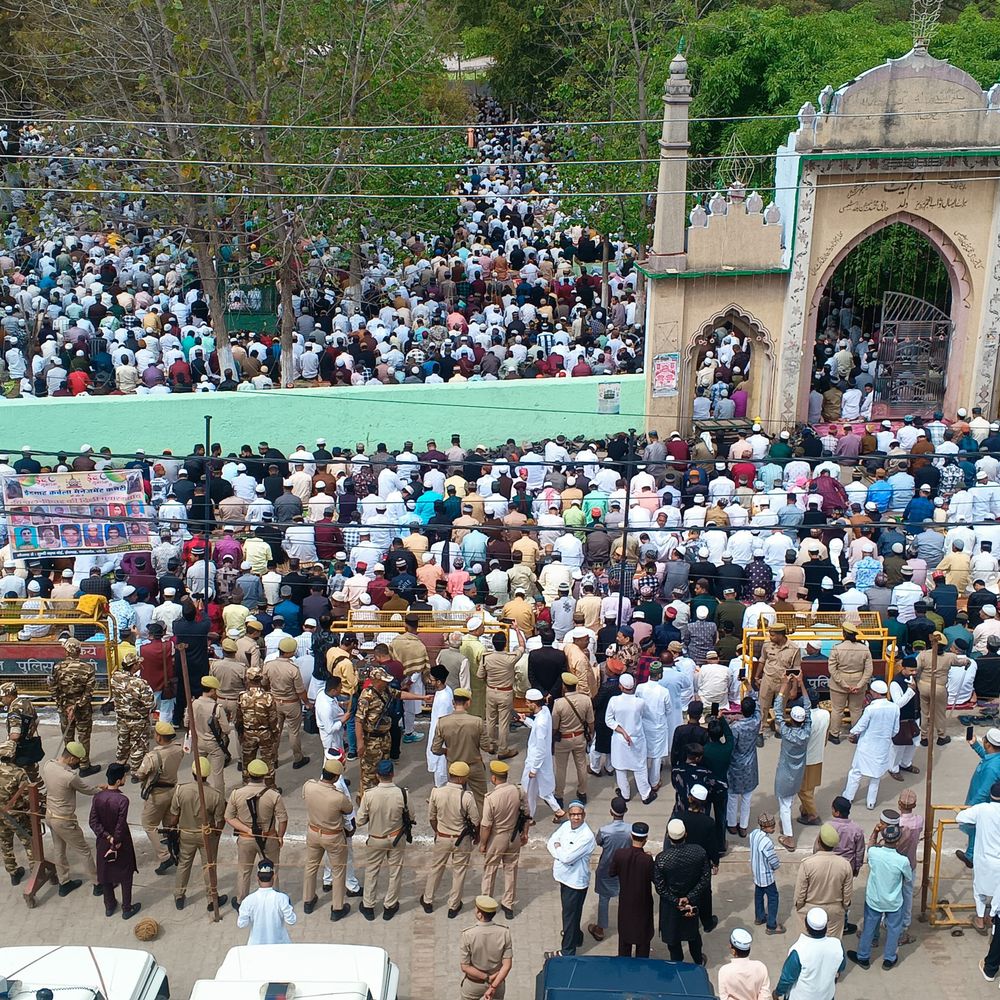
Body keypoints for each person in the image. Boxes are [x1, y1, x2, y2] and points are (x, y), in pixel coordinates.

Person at [167, 756, 228, 912]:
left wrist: (172, 830)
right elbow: (220, 822)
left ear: (193, 772)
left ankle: (179, 895)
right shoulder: (215, 795)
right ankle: (212, 898)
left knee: (184, 864)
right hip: (206, 835)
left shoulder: (181, 790)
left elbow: (173, 818)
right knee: (209, 867)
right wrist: (216, 834)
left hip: (186, 834)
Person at [847, 823, 912, 971]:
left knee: (868, 928)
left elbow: (870, 846)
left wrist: (875, 832)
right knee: (894, 930)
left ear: (884, 838)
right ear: (898, 841)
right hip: (893, 902)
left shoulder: (874, 853)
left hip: (874, 899)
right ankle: (889, 958)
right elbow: (908, 878)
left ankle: (863, 957)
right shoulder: (902, 861)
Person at [225, 759, 288, 906]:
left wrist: (247, 830)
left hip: (246, 837)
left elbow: (229, 817)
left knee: (244, 871)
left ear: (248, 774)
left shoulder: (236, 794)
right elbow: (283, 819)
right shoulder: (274, 795)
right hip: (268, 836)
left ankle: (241, 901)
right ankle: (273, 902)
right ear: (265, 775)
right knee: (272, 870)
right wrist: (280, 836)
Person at [423, 760, 481, 918]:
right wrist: (476, 837)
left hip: (442, 836)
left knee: (436, 868)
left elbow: (432, 817)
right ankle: (453, 905)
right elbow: (476, 821)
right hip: (461, 839)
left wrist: (438, 831)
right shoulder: (467, 797)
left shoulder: (436, 792)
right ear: (461, 779)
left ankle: (428, 900)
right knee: (459, 872)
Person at [40, 741, 99, 895]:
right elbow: (87, 790)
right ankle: (97, 883)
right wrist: (102, 789)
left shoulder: (48, 765)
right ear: (72, 758)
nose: (77, 763)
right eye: (77, 760)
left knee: (59, 849)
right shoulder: (70, 777)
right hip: (64, 819)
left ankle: (64, 882)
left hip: (50, 815)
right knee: (84, 850)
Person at [654, 818, 714, 964]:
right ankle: (698, 960)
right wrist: (690, 897)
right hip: (691, 902)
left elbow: (660, 887)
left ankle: (677, 965)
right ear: (685, 834)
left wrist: (676, 900)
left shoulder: (662, 859)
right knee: (693, 933)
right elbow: (705, 878)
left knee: (673, 937)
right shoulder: (698, 852)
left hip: (671, 906)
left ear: (668, 837)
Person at [302, 756, 355, 921]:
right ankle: (337, 907)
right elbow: (348, 810)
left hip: (313, 832)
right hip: (332, 836)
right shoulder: (338, 797)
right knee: (338, 871)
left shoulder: (309, 786)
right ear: (336, 777)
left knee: (311, 866)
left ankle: (308, 900)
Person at [356, 759, 407, 921]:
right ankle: (390, 905)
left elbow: (360, 820)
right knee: (395, 872)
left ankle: (368, 906)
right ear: (393, 774)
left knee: (371, 871)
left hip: (376, 839)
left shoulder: (369, 795)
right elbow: (411, 816)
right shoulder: (402, 793)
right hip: (396, 838)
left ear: (378, 775)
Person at [89, 762, 141, 920]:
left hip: (102, 842)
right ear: (118, 781)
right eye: (124, 777)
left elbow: (93, 822)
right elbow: (120, 824)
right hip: (121, 842)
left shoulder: (98, 797)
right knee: (126, 874)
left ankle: (109, 905)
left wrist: (106, 836)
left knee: (105, 874)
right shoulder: (122, 800)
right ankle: (127, 908)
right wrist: (115, 839)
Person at [545, 800, 596, 958]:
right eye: (573, 814)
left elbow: (567, 858)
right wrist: (560, 852)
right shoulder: (566, 826)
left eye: (578, 815)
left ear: (583, 815)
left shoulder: (586, 836)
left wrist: (559, 848)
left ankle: (567, 951)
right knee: (572, 913)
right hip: (564, 878)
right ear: (568, 815)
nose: (575, 817)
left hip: (575, 882)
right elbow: (551, 842)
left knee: (570, 915)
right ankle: (575, 937)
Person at [480, 760, 528, 920]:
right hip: (514, 835)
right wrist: (525, 833)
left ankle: (486, 903)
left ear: (494, 778)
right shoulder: (518, 791)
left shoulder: (491, 798)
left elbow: (486, 825)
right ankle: (508, 904)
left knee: (490, 870)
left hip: (497, 837)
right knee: (511, 869)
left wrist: (483, 844)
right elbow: (526, 814)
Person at [841, 679, 899, 810]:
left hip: (866, 746)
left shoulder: (871, 709)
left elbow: (861, 726)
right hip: (883, 747)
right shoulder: (895, 708)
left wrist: (852, 733)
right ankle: (871, 802)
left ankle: (848, 797)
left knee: (856, 772)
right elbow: (895, 730)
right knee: (876, 776)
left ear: (876, 693)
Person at [136, 720, 185, 876]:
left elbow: (140, 774)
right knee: (169, 823)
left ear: (159, 737)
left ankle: (164, 856)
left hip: (157, 794)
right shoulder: (178, 749)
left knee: (149, 824)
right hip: (172, 790)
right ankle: (176, 848)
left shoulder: (152, 757)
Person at [432, 687, 489, 814]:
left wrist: (446, 751)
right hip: (474, 765)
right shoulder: (477, 721)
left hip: (454, 766)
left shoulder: (442, 722)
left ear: (453, 703)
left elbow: (435, 749)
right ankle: (481, 824)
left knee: (456, 800)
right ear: (468, 702)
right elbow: (486, 747)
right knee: (481, 800)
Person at [47, 639, 100, 776]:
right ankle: (84, 765)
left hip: (64, 708)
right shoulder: (88, 668)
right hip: (82, 709)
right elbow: (89, 692)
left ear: (66, 651)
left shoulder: (57, 667)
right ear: (79, 651)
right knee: (84, 737)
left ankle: (70, 761)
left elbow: (53, 689)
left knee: (68, 736)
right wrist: (77, 705)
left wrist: (62, 704)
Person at [793, 822, 853, 938]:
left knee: (807, 942)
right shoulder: (845, 865)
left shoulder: (808, 864)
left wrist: (800, 906)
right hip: (834, 909)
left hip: (810, 908)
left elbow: (800, 892)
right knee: (832, 942)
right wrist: (843, 907)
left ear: (819, 841)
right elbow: (847, 893)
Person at [773, 676, 812, 850]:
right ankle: (786, 825)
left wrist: (784, 686)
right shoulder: (807, 731)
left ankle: (789, 837)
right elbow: (808, 708)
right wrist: (801, 684)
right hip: (797, 773)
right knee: (788, 801)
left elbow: (777, 710)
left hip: (784, 773)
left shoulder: (786, 732)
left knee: (785, 804)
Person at [774, 907, 846, 1000]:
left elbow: (787, 978)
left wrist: (777, 993)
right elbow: (841, 967)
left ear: (806, 926)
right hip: (826, 996)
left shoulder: (799, 950)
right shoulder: (837, 945)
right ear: (826, 926)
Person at [956, 780, 1000, 931]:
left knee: (979, 889)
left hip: (983, 859)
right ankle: (993, 916)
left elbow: (960, 817)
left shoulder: (982, 809)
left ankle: (980, 918)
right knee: (998, 891)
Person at [587, 796, 631, 942]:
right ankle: (627, 925)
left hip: (606, 867)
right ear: (625, 811)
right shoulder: (631, 829)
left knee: (604, 899)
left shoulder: (605, 831)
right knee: (625, 897)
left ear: (611, 812)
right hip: (625, 868)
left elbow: (599, 842)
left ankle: (600, 929)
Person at [609, 821, 656, 957]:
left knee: (624, 940)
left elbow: (611, 872)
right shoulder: (647, 860)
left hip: (626, 904)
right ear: (645, 839)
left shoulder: (620, 854)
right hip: (643, 905)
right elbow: (655, 879)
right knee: (643, 941)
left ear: (631, 836)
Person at [606, 674, 655, 803]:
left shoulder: (614, 701)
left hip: (619, 739)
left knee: (620, 768)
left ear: (621, 687)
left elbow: (609, 720)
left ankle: (625, 794)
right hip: (637, 739)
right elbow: (643, 716)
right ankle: (645, 794)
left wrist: (622, 731)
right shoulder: (640, 702)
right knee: (640, 767)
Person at [517, 688, 563, 820]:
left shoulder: (541, 722)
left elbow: (541, 748)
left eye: (527, 702)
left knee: (527, 789)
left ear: (534, 703)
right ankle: (533, 815)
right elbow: (536, 727)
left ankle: (529, 816)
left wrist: (534, 769)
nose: (526, 705)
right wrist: (525, 720)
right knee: (538, 790)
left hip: (535, 761)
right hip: (539, 761)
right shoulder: (545, 712)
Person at [958, 727, 1000, 866]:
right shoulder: (995, 758)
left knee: (976, 826)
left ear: (988, 744)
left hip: (981, 801)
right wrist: (975, 745)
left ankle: (972, 856)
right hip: (978, 798)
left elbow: (983, 792)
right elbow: (987, 757)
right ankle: (970, 854)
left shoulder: (992, 769)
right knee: (975, 828)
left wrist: (969, 807)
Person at [458, 895, 514, 1000]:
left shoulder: (468, 934)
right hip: (497, 983)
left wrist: (487, 978)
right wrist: (493, 986)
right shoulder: (504, 933)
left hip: (473, 985)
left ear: (480, 914)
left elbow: (465, 967)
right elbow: (507, 965)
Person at [826, 621, 873, 743]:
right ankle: (856, 735)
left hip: (839, 684)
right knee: (856, 710)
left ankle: (834, 735)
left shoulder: (837, 648)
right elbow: (869, 670)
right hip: (858, 682)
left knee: (837, 710)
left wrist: (843, 684)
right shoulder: (864, 649)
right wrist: (860, 684)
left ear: (844, 633)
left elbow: (832, 669)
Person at [552, 672, 594, 806]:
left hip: (563, 739)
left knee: (561, 769)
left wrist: (552, 739)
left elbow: (554, 726)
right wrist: (591, 734)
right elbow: (591, 721)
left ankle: (559, 795)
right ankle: (582, 792)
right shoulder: (586, 700)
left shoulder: (559, 703)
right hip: (579, 737)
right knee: (581, 766)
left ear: (564, 686)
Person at [751, 623, 800, 735]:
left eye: (773, 635)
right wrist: (757, 676)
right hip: (768, 679)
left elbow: (796, 669)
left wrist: (794, 688)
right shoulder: (767, 644)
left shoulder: (794, 648)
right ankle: (760, 731)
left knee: (780, 708)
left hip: (784, 682)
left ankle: (779, 729)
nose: (770, 637)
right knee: (762, 706)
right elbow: (762, 660)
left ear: (780, 635)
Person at [479, 633, 521, 759]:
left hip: (491, 691)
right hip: (505, 693)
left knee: (490, 719)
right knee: (503, 722)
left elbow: (480, 675)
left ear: (493, 643)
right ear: (505, 644)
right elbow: (522, 646)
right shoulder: (510, 658)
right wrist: (517, 630)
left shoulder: (486, 657)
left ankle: (490, 745)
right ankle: (503, 749)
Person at [237, 859, 296, 945]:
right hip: (280, 946)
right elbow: (291, 920)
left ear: (257, 878)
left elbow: (241, 924)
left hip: (256, 946)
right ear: (273, 877)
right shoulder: (282, 898)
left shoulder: (248, 900)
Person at [727, 698, 761, 837]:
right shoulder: (756, 721)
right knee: (747, 797)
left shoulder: (736, 728)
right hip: (750, 764)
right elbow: (758, 707)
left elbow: (731, 747)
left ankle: (731, 824)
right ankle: (743, 826)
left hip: (736, 764)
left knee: (732, 796)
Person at [749, 812, 784, 934]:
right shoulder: (767, 842)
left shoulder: (753, 834)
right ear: (764, 827)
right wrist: (776, 866)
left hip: (756, 873)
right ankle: (771, 925)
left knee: (758, 895)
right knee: (773, 898)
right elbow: (772, 859)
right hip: (766, 875)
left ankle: (759, 917)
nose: (773, 828)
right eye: (771, 827)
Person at [717, 928, 771, 1000]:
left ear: (733, 951)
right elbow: (765, 994)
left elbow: (724, 997)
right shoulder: (760, 967)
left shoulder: (724, 971)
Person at [427, 665, 455, 787]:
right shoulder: (446, 690)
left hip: (440, 735)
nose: (429, 681)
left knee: (440, 765)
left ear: (438, 682)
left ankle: (441, 789)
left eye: (431, 679)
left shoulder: (444, 698)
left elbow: (442, 722)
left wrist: (437, 741)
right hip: (437, 731)